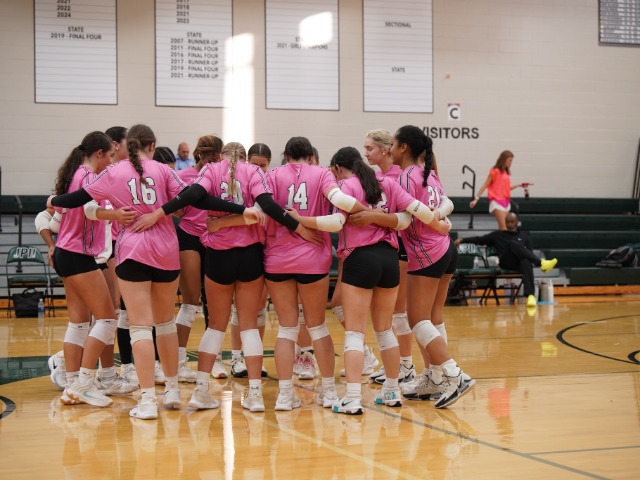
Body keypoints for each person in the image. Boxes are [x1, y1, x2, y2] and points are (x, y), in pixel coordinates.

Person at [49, 124, 258, 420]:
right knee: (166, 324)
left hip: (132, 250)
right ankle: (171, 390)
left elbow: (78, 199)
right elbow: (196, 198)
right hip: (165, 251)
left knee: (139, 327)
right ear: (152, 146)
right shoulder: (163, 170)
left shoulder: (114, 172)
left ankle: (147, 401)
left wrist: (54, 201)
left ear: (128, 145)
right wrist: (239, 210)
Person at [133, 136, 318, 413]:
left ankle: (201, 392)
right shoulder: (253, 172)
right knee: (249, 326)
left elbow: (193, 196)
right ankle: (255, 395)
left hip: (218, 257)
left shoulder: (211, 170)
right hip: (250, 256)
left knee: (215, 326)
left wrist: (160, 213)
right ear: (244, 159)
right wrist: (298, 227)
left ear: (221, 157)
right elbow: (268, 206)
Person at [294, 146, 450, 414]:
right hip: (389, 259)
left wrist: (300, 220)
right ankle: (392, 391)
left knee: (355, 332)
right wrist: (440, 223)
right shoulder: (386, 182)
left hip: (359, 259)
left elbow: (335, 223)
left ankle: (353, 398)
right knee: (385, 330)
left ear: (339, 168)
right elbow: (406, 218)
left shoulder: (346, 186)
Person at [265, 137, 369, 411]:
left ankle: (284, 395)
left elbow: (264, 207)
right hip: (313, 259)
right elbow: (339, 202)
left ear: (286, 155)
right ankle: (329, 392)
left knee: (287, 328)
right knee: (317, 326)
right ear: (311, 155)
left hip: (277, 259)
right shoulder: (322, 174)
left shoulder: (273, 175)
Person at [47, 131, 136, 408]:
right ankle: (85, 383)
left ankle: (72, 384)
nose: (111, 160)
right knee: (108, 319)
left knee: (78, 323)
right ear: (99, 153)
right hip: (78, 255)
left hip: (66, 254)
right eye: (109, 155)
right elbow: (88, 210)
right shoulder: (87, 177)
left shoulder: (75, 174)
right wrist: (115, 214)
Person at [389, 125, 476, 408]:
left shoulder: (406, 177)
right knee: (434, 317)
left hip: (427, 252)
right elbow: (444, 204)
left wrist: (373, 217)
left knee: (417, 319)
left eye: (393, 144)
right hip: (446, 248)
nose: (390, 149)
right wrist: (439, 219)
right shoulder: (430, 174)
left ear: (404, 148)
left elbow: (404, 219)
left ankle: (454, 374)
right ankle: (435, 378)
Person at [174, 136, 223, 383]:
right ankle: (179, 362)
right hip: (189, 237)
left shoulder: (220, 176)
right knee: (190, 302)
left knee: (214, 303)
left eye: (216, 157)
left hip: (214, 237)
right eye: (209, 157)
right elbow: (173, 207)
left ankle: (215, 359)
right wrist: (182, 210)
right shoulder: (182, 176)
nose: (212, 162)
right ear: (200, 155)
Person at [454, 212, 558, 307]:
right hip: (506, 262)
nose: (510, 224)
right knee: (512, 244)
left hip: (519, 264)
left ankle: (530, 296)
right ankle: (541, 263)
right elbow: (480, 239)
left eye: (512, 222)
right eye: (507, 222)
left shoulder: (525, 238)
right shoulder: (498, 235)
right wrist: (462, 239)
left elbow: (529, 254)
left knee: (526, 262)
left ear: (517, 222)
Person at [469, 150, 528, 230]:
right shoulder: (495, 171)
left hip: (506, 201)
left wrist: (519, 185)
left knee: (505, 228)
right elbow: (485, 185)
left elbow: (506, 188)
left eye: (511, 160)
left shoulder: (506, 172)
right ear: (504, 159)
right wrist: (476, 199)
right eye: (509, 160)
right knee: (504, 227)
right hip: (497, 201)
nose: (510, 163)